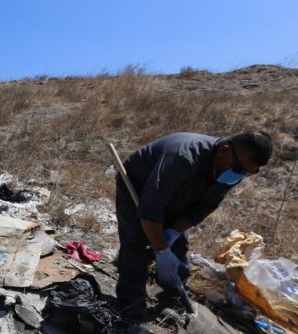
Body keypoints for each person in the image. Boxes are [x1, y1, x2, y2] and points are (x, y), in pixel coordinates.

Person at [114, 131, 273, 320]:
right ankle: (131, 304)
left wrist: (173, 232)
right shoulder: (183, 157)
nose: (240, 176)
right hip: (138, 187)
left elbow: (204, 206)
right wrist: (162, 252)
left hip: (177, 197)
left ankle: (173, 298)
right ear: (223, 150)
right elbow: (150, 211)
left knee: (179, 247)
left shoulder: (230, 170)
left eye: (248, 173)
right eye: (239, 170)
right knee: (136, 242)